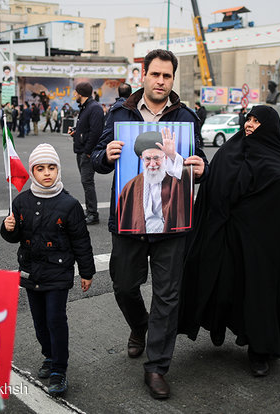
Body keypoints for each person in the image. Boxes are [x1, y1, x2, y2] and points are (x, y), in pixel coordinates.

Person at [91, 49, 207, 399]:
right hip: (129, 224)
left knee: (167, 296)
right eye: (155, 74)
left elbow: (198, 160)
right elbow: (96, 158)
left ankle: (156, 367)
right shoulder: (120, 112)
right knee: (124, 285)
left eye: (167, 76)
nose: (160, 81)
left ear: (173, 79)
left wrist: (201, 167)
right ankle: (139, 326)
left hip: (174, 226)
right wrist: (105, 156)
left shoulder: (186, 116)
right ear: (143, 74)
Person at [179, 105, 280, 378]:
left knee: (257, 293)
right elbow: (212, 185)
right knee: (222, 283)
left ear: (269, 126)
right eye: (249, 119)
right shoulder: (230, 150)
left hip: (260, 245)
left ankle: (259, 349)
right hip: (225, 234)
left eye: (257, 121)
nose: (250, 124)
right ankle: (218, 326)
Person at [1, 143, 95, 398]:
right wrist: (8, 227)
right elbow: (15, 237)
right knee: (40, 322)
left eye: (51, 167)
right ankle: (49, 355)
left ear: (58, 170)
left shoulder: (69, 204)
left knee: (55, 320)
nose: (46, 173)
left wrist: (86, 271)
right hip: (31, 273)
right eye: (40, 168)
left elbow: (81, 241)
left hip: (58, 274)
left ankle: (59, 369)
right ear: (32, 171)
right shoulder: (21, 201)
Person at [117, 130, 192, 234]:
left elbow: (185, 174)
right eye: (147, 159)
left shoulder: (175, 177)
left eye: (157, 158)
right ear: (141, 158)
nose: (152, 164)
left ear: (165, 157)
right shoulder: (131, 186)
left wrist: (172, 155)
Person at [70, 82, 104, 225]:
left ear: (80, 93)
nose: (74, 94)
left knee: (87, 182)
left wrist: (88, 152)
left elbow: (95, 132)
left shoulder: (94, 108)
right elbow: (86, 130)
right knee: (86, 183)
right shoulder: (85, 107)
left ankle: (93, 214)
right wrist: (75, 133)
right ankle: (89, 210)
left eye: (75, 92)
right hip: (81, 150)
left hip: (87, 153)